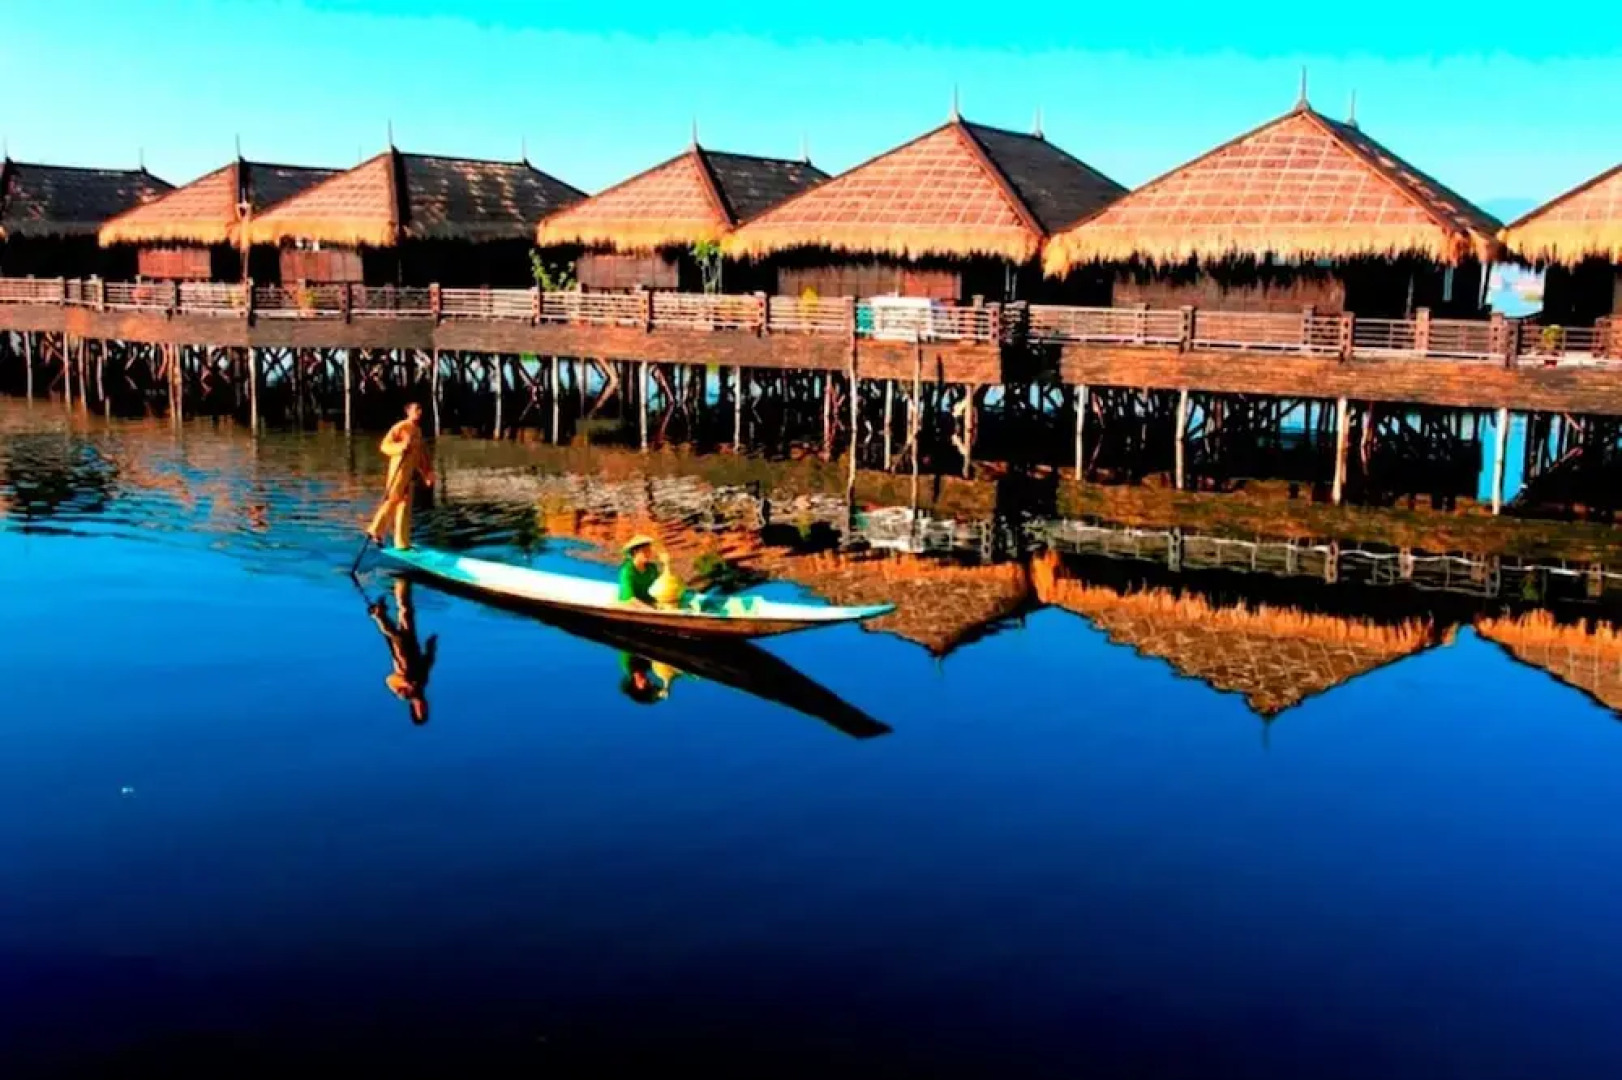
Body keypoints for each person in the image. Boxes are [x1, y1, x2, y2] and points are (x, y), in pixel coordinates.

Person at [366, 402, 435, 550]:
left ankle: (402, 542)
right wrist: (400, 447)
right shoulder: (401, 427)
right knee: (393, 500)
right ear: (408, 411)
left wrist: (427, 473)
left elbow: (421, 455)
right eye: (416, 409)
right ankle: (375, 530)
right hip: (398, 470)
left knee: (404, 506)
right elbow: (384, 446)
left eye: (421, 409)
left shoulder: (418, 431)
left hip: (409, 473)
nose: (420, 412)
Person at [369, 578, 437, 725]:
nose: (423, 706)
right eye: (425, 710)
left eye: (420, 709)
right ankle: (401, 583)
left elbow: (389, 679)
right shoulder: (422, 683)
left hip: (400, 652)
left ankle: (379, 615)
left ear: (414, 708)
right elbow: (427, 663)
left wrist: (405, 682)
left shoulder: (403, 694)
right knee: (406, 611)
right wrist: (431, 647)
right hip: (413, 644)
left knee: (394, 635)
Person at [617, 535, 662, 607]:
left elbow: (659, 590)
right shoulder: (627, 571)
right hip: (630, 606)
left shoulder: (652, 568)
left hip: (649, 605)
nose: (648, 554)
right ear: (635, 552)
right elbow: (630, 599)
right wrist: (649, 610)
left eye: (649, 551)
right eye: (645, 551)